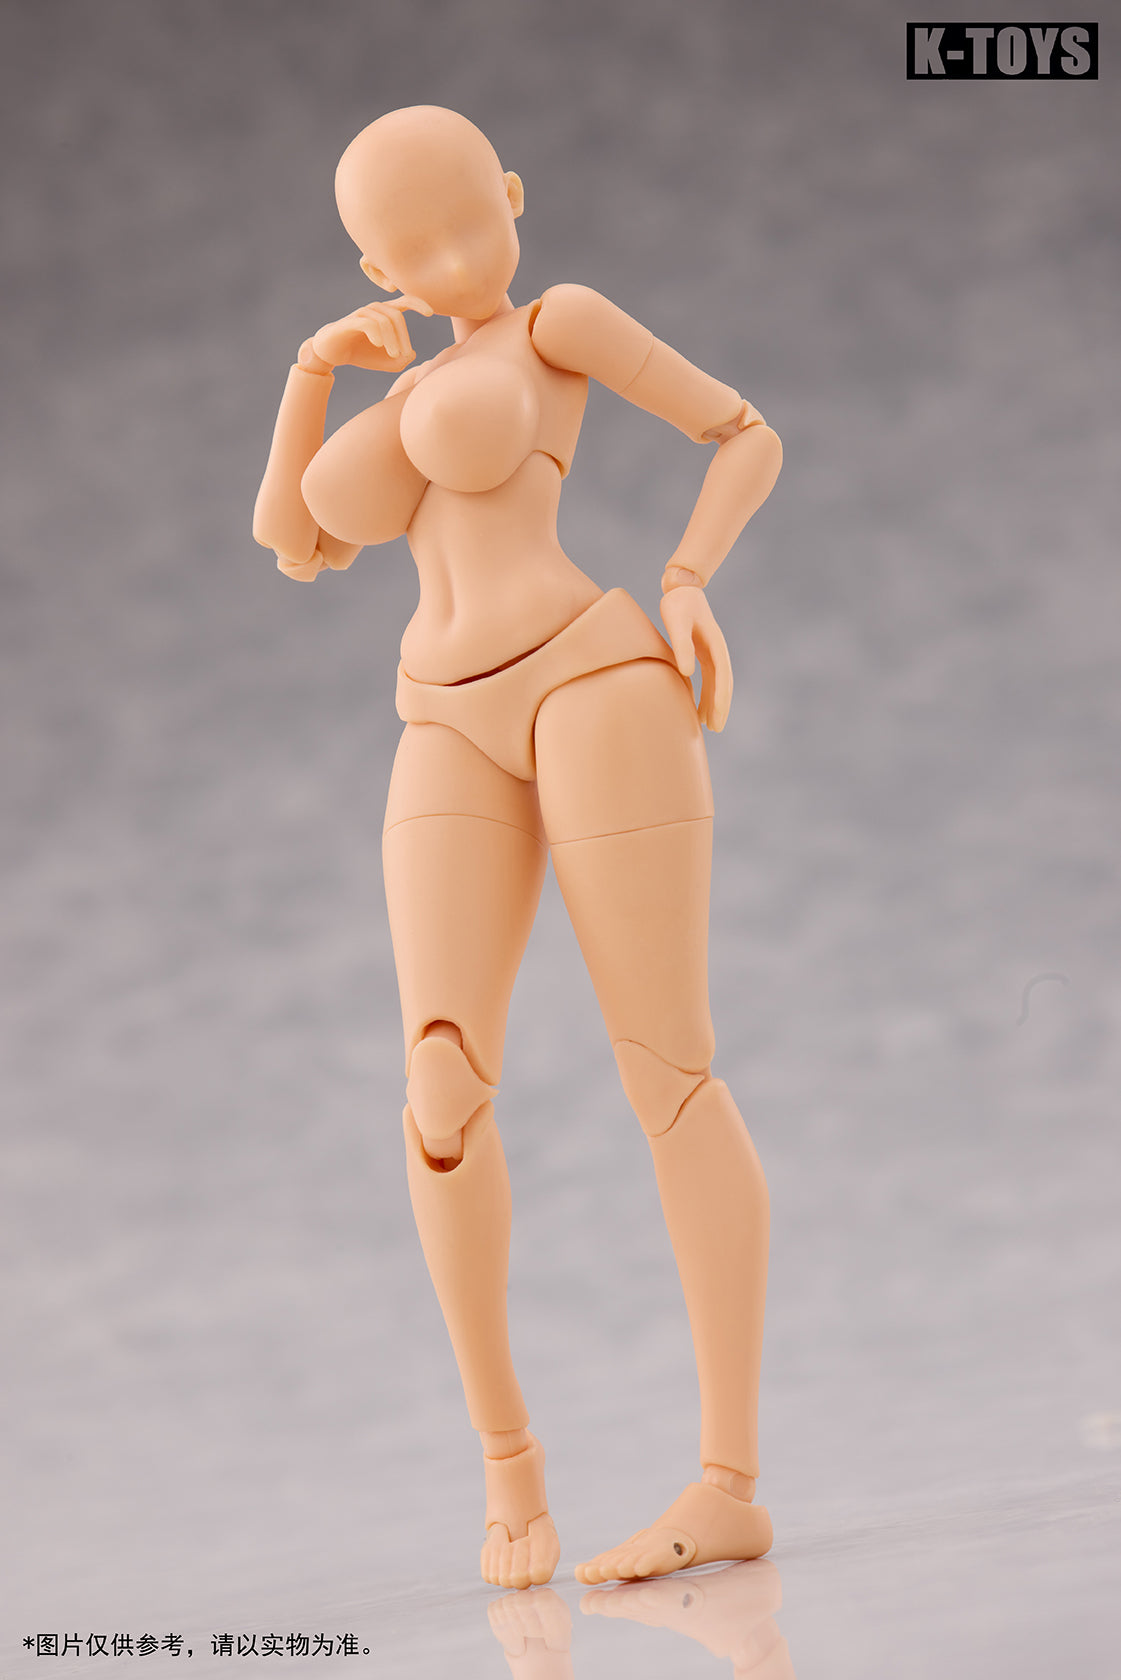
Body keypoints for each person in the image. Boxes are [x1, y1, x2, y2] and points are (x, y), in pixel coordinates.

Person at [253, 105, 782, 1592]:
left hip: (590, 680)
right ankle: (508, 1469)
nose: (443, 263)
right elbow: (295, 542)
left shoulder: (558, 325)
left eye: (465, 224)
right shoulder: (397, 376)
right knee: (437, 1088)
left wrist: (687, 579)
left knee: (667, 1069)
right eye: (406, 250)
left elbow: (743, 431)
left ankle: (729, 1482)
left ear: (514, 196)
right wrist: (311, 371)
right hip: (440, 715)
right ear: (374, 266)